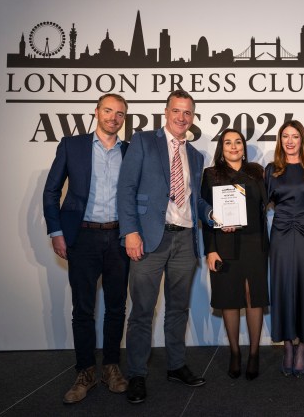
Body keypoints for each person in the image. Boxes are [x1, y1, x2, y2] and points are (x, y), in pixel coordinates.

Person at [117, 89, 212, 404]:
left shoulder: (196, 155)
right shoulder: (144, 141)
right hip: (149, 239)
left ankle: (175, 365)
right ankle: (137, 375)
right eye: (177, 111)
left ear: (192, 117)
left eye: (187, 113)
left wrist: (211, 213)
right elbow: (127, 187)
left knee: (178, 309)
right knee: (143, 311)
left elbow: (195, 199)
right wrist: (130, 231)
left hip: (185, 239)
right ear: (166, 112)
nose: (182, 117)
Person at [43, 93, 130, 404]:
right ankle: (85, 371)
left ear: (124, 119)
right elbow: (51, 190)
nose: (113, 117)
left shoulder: (130, 151)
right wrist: (56, 231)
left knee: (117, 307)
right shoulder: (72, 145)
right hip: (82, 237)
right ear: (96, 112)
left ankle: (110, 367)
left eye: (119, 113)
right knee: (83, 309)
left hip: (120, 238)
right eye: (108, 111)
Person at [200, 129, 269, 380]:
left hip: (254, 243)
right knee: (229, 298)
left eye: (237, 142)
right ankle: (235, 353)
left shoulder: (256, 172)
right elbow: (203, 213)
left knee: (254, 297)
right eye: (227, 142)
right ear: (221, 147)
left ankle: (253, 354)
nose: (233, 146)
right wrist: (210, 248)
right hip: (224, 244)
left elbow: (267, 202)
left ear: (243, 146)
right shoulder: (211, 174)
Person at [265, 120, 304, 378]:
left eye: (295, 136)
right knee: (282, 288)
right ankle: (288, 346)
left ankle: (303, 347)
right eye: (285, 137)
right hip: (280, 234)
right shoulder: (271, 170)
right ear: (280, 141)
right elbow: (256, 204)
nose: (290, 141)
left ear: (302, 140)